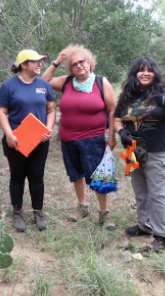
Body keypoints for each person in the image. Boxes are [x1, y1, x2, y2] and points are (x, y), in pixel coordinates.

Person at [113, 56, 165, 251]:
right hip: (135, 150)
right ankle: (144, 225)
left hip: (160, 152)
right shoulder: (127, 95)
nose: (145, 73)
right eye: (141, 69)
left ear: (155, 73)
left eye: (149, 70)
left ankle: (162, 236)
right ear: (134, 74)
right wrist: (122, 132)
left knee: (157, 194)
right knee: (141, 192)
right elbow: (117, 119)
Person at [41, 44, 117, 230]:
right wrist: (57, 62)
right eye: (74, 64)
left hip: (94, 139)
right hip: (68, 138)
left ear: (89, 62)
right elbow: (42, 82)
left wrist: (112, 136)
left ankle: (104, 214)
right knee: (76, 174)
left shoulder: (100, 82)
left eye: (82, 61)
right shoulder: (67, 82)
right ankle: (83, 207)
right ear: (70, 68)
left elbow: (114, 109)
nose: (79, 66)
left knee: (99, 176)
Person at [0, 50, 56, 232]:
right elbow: (1, 112)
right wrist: (9, 134)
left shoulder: (44, 85)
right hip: (17, 140)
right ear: (24, 65)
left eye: (40, 62)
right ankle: (17, 212)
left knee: (37, 176)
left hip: (40, 140)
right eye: (35, 62)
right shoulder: (9, 86)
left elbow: (51, 109)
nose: (40, 65)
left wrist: (49, 129)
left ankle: (38, 211)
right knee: (17, 176)